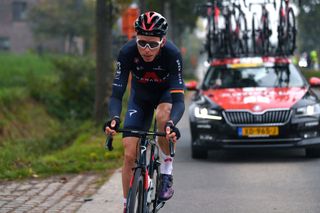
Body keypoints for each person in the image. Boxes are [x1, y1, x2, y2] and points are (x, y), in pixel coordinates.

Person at [103, 11, 185, 212]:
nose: (146, 49)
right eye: (142, 42)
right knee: (129, 153)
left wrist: (172, 124)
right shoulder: (127, 52)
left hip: (165, 95)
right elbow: (116, 94)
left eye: (153, 44)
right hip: (140, 98)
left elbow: (179, 100)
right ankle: (126, 206)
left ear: (162, 42)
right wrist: (114, 119)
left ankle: (166, 170)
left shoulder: (173, 55)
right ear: (136, 38)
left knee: (163, 117)